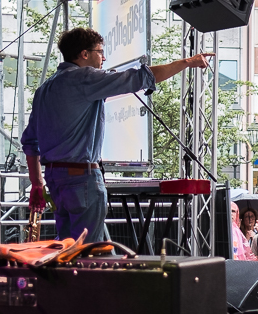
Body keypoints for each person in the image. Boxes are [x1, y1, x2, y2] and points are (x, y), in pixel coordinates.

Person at [22, 27, 213, 241]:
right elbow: (142, 77)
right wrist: (187, 62)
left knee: (67, 252)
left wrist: (37, 183)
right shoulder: (85, 78)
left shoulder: (44, 89)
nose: (103, 58)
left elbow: (30, 142)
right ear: (84, 54)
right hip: (81, 179)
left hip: (55, 180)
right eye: (100, 52)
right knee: (88, 254)